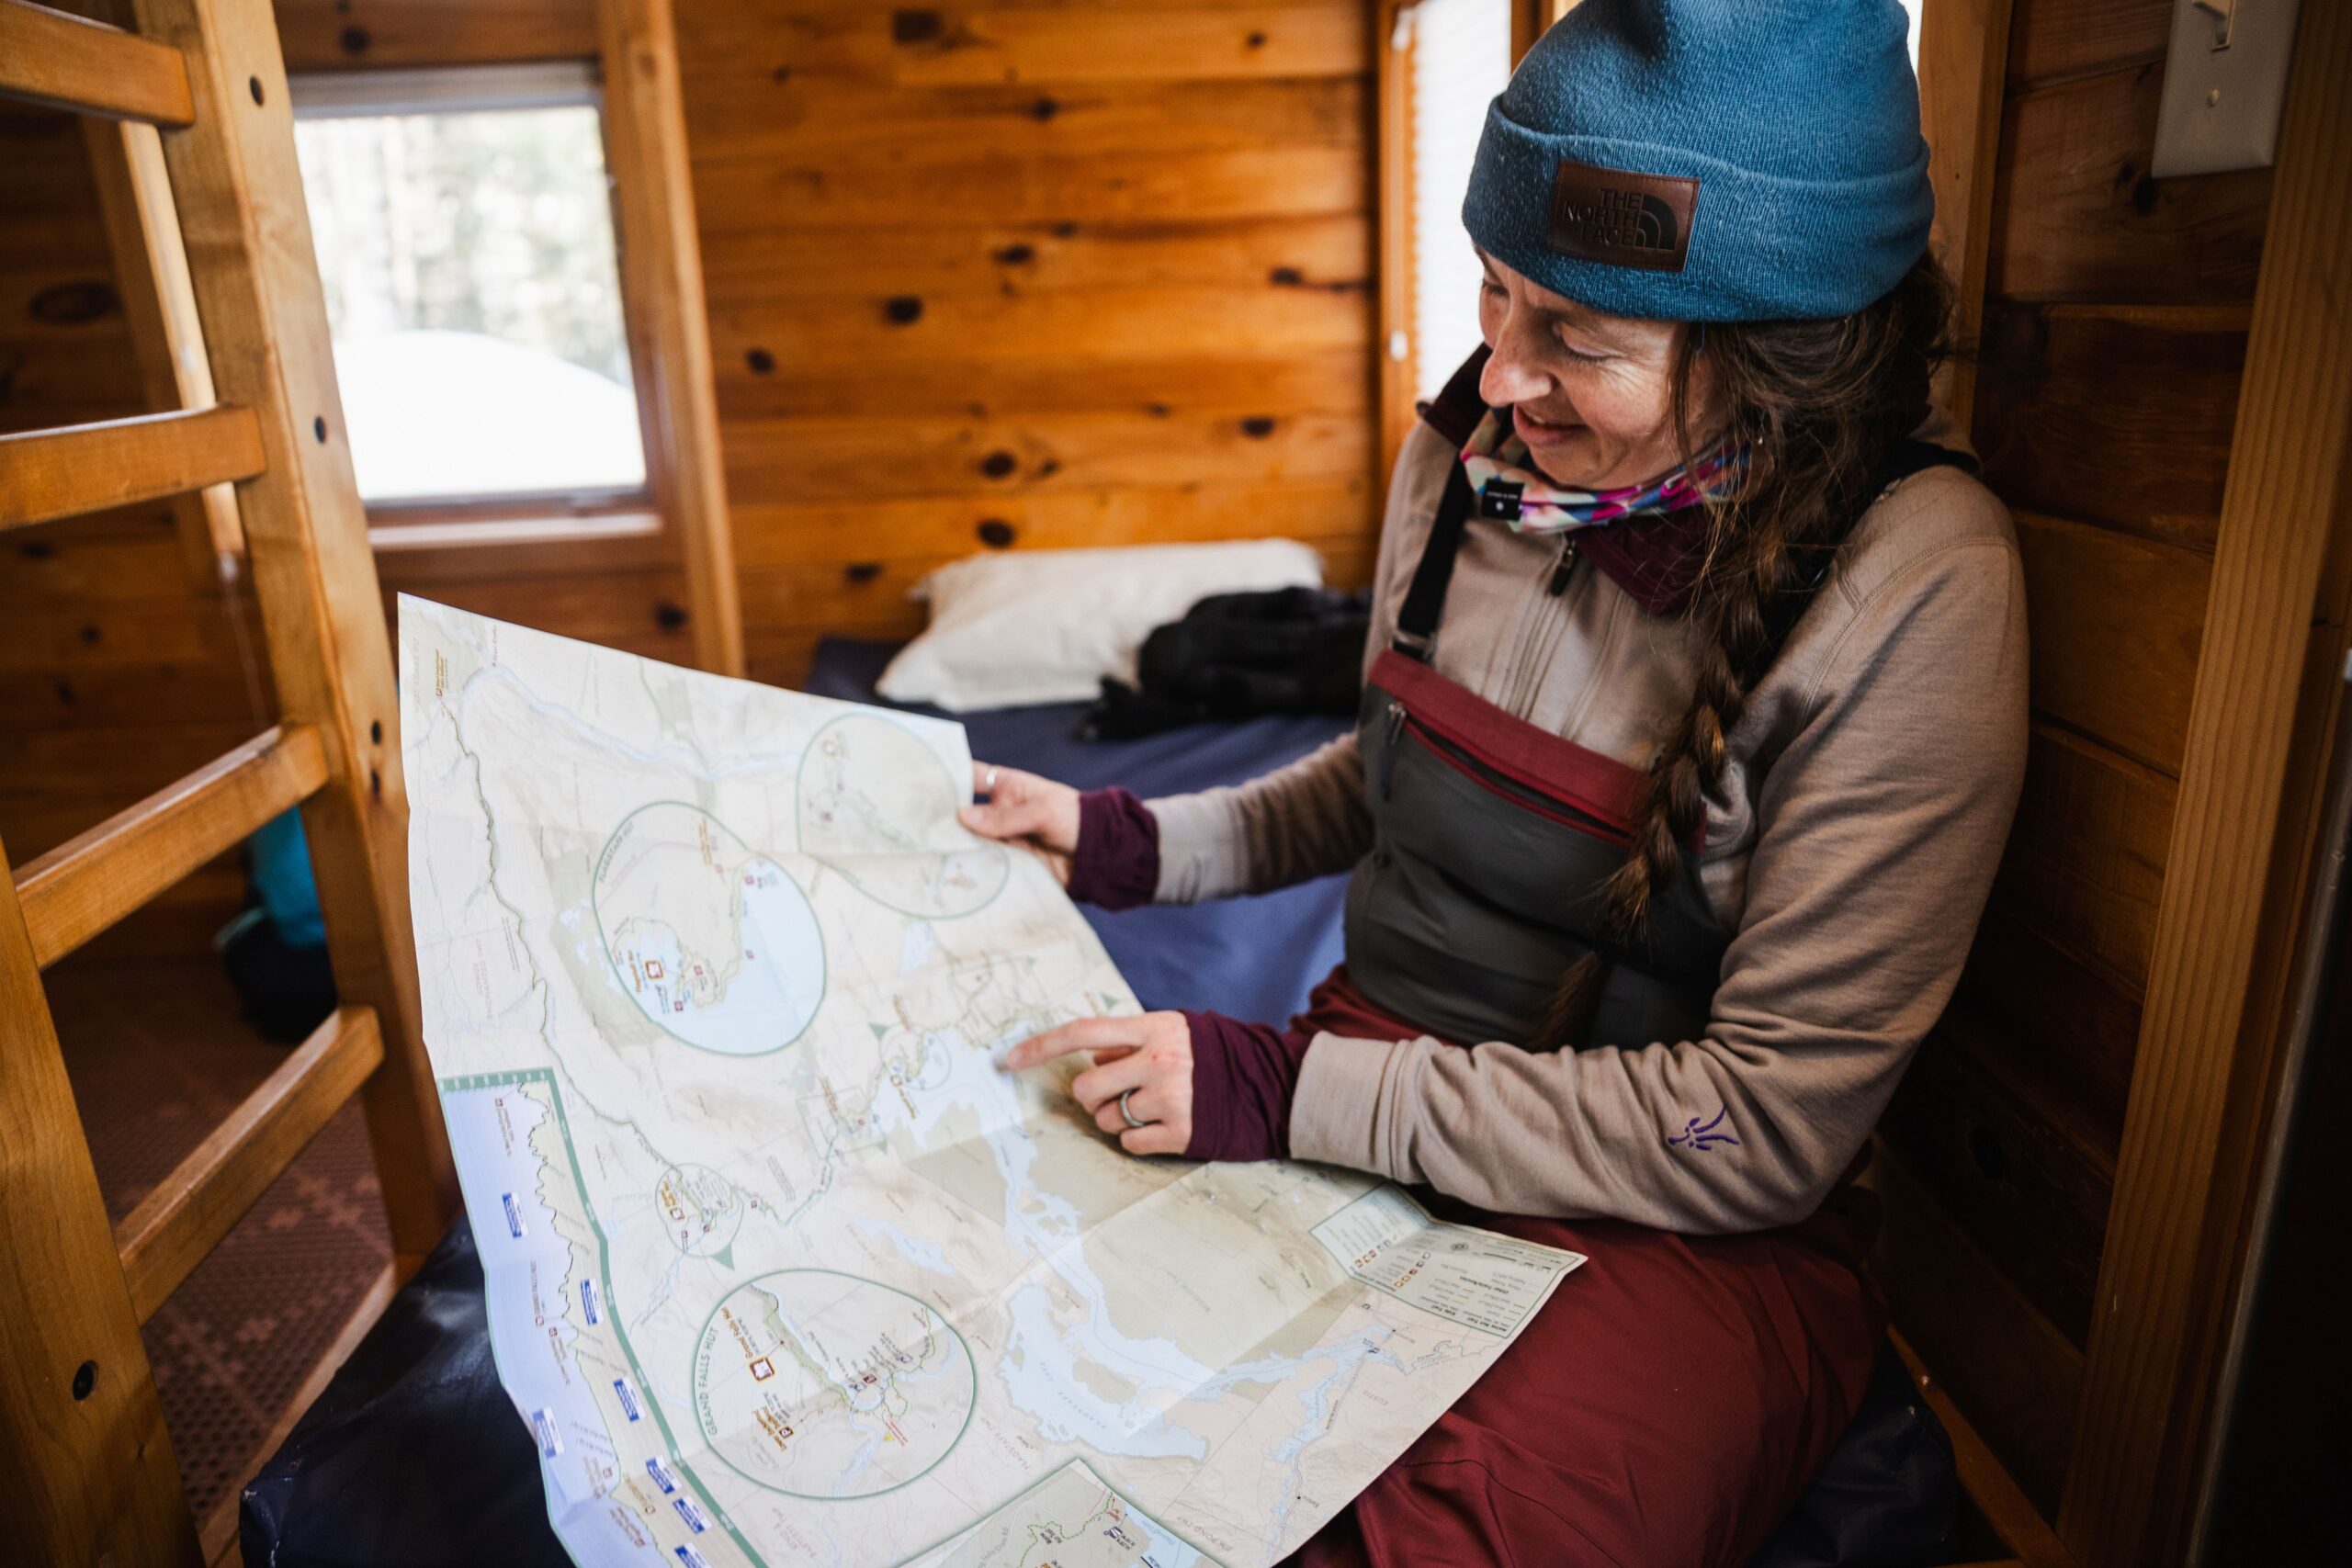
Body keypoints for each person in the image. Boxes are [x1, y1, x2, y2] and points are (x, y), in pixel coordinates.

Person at [961, 2, 2029, 1562]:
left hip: (1679, 1227)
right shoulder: (1468, 459)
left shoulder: (1917, 591)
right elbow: (1390, 780)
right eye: (1496, 293)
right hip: (1359, 1088)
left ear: (1783, 368)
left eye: (1578, 341)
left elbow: (1764, 1128)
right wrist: (1120, 840)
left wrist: (1289, 1091)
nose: (1501, 374)